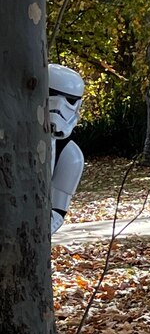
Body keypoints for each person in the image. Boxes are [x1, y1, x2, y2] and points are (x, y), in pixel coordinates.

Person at [48, 63, 86, 234]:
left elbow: (57, 213)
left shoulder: (70, 155)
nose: (58, 106)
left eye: (69, 100)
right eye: (50, 95)